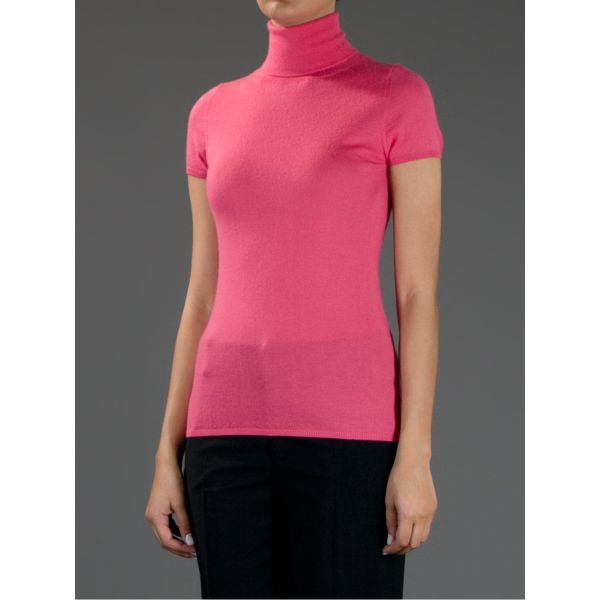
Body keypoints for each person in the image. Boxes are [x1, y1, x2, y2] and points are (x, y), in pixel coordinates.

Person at [145, 0, 443, 597]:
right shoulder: (212, 112)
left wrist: (415, 454)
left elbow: (416, 294)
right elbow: (202, 294)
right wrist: (165, 455)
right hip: (221, 435)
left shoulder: (394, 96)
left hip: (348, 438)